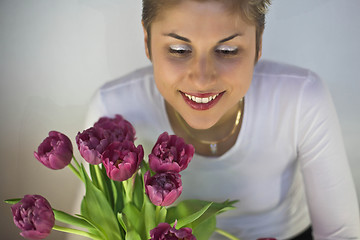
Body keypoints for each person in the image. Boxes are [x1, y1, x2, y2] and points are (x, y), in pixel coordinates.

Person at [85, 0, 360, 239]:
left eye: (227, 51)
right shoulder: (114, 108)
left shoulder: (301, 98)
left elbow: (340, 233)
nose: (202, 78)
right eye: (179, 50)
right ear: (147, 42)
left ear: (258, 44)